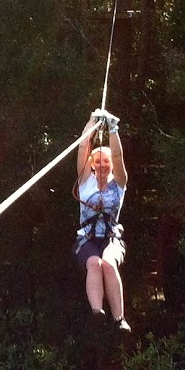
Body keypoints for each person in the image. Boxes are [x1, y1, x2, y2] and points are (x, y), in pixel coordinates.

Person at [74, 110, 129, 331]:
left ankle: (119, 319)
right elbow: (81, 148)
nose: (104, 164)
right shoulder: (85, 181)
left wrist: (113, 129)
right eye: (98, 161)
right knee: (94, 264)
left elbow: (118, 157)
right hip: (87, 238)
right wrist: (91, 123)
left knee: (107, 262)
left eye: (106, 161)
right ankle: (97, 312)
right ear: (92, 164)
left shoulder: (119, 184)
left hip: (110, 238)